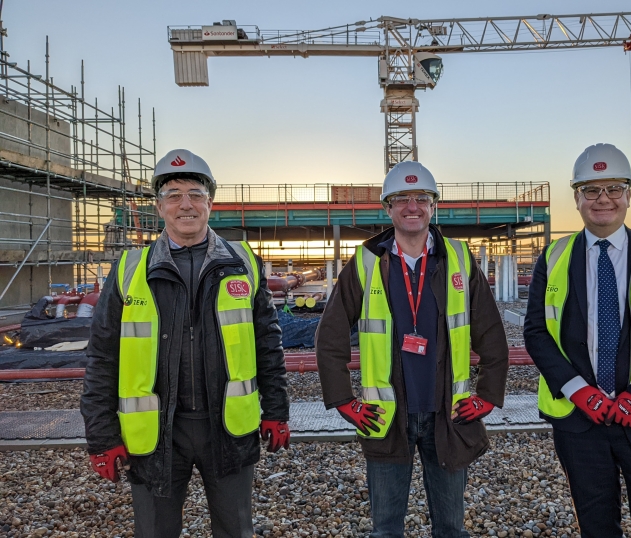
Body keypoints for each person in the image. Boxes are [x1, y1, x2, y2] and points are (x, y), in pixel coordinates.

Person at [81, 149, 290, 538]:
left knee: (235, 530)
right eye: (174, 194)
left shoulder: (243, 264)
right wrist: (103, 436)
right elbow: (102, 357)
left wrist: (277, 410)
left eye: (195, 193)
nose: (186, 204)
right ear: (160, 207)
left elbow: (268, 346)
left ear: (210, 202)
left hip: (228, 427)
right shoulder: (130, 272)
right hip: (155, 433)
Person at [316, 160, 509, 537]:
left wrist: (488, 395)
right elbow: (331, 335)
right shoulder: (367, 263)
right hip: (388, 417)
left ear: (433, 205)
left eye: (421, 197)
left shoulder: (459, 258)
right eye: (401, 198)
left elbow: (490, 331)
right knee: (386, 529)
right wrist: (343, 401)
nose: (412, 206)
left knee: (451, 527)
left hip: (448, 415)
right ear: (387, 207)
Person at [523, 143, 631, 537]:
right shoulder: (553, 257)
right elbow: (536, 331)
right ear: (577, 198)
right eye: (591, 189)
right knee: (597, 527)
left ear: (628, 194)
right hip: (580, 422)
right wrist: (576, 390)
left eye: (613, 188)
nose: (603, 199)